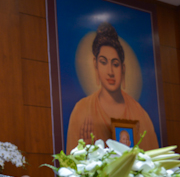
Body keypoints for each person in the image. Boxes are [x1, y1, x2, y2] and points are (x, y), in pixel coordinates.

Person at [66, 22, 158, 152]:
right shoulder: (81, 110)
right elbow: (69, 161)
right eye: (103, 62)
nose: (110, 72)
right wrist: (85, 153)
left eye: (115, 64)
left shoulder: (140, 115)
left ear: (123, 69)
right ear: (95, 65)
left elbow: (152, 159)